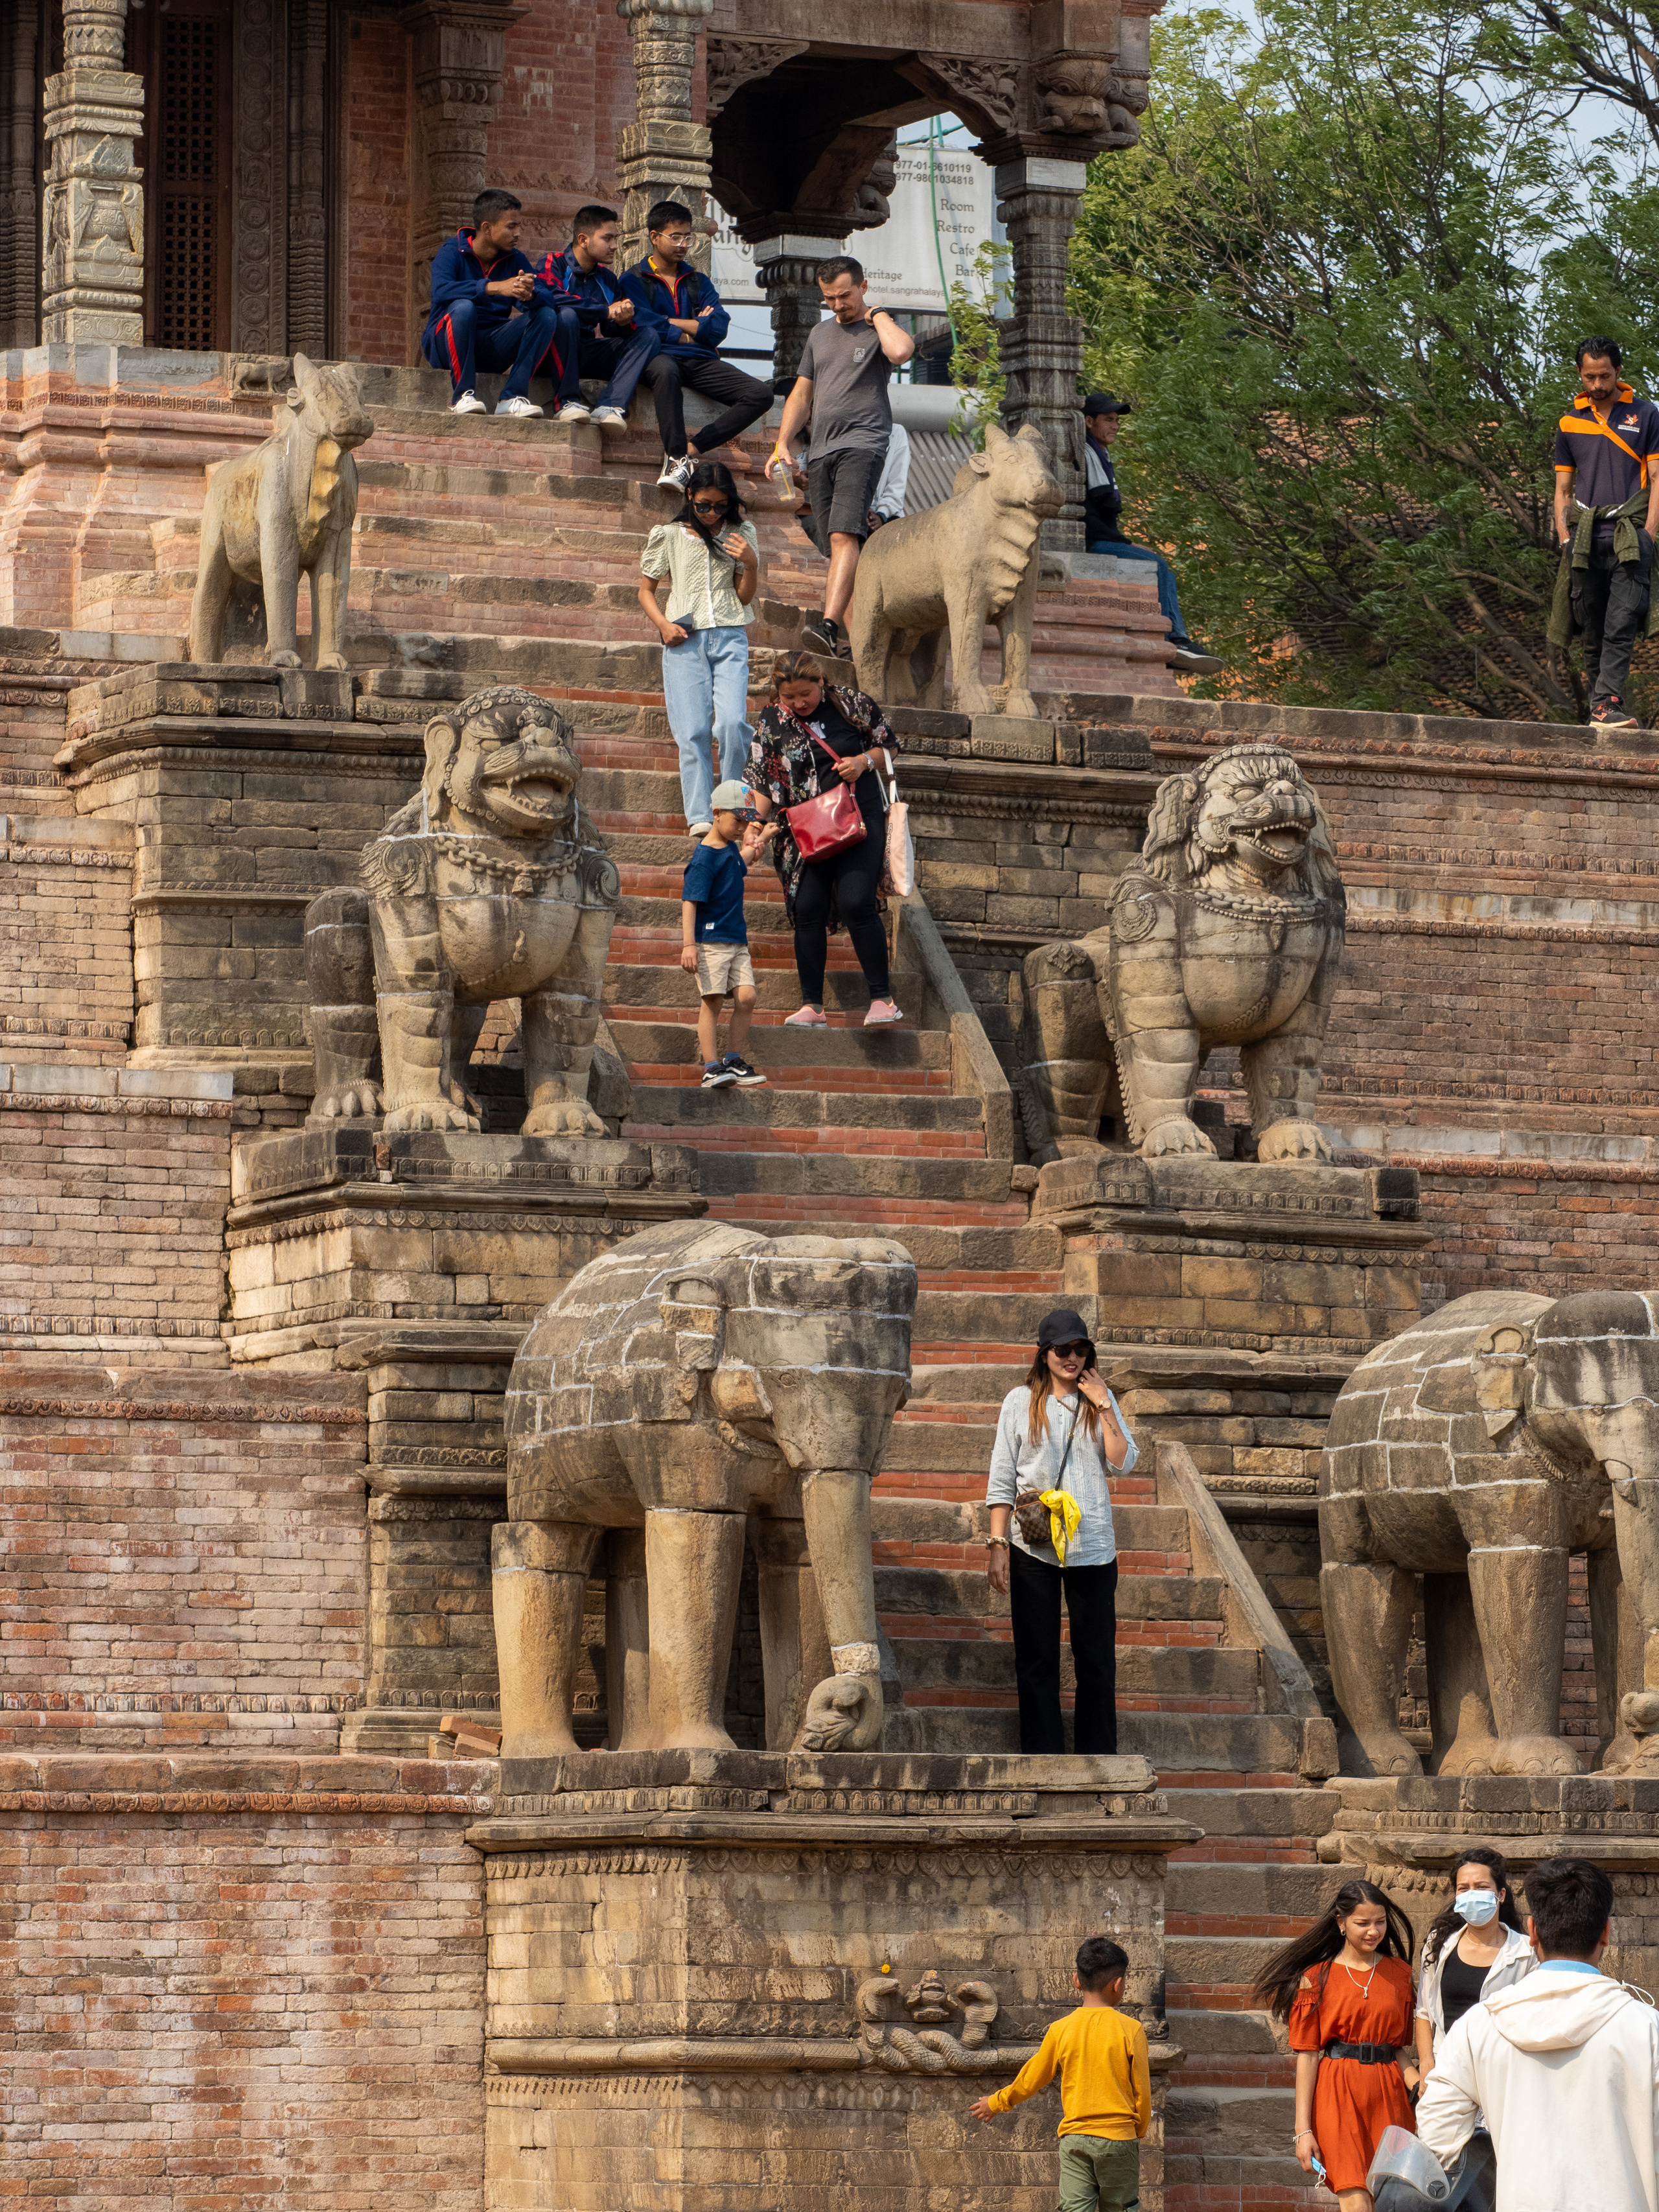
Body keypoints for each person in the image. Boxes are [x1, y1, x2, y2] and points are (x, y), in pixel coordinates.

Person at [1417, 1856, 1659, 2212]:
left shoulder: (1479, 2026)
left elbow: (1437, 2134)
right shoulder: (1647, 2029)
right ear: (1606, 1933)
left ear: (1532, 1932)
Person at [984, 1309, 1136, 1756]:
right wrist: (997, 1545)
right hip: (1034, 1546)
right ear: (1044, 1354)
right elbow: (1001, 1478)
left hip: (1092, 1545)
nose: (1072, 1357)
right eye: (1062, 1349)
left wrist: (1104, 1402)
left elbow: (1123, 1461)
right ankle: (1043, 1757)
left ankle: (1099, 1759)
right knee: (1036, 1659)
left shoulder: (1099, 1399)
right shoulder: (1019, 1401)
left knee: (1096, 1661)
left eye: (1080, 1348)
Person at [745, 651, 903, 1029]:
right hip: (803, 829)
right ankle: (812, 1006)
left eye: (806, 694)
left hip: (855, 817)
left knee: (855, 899)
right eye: (790, 697)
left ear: (821, 681)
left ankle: (883, 1000)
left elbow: (890, 746)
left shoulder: (852, 703)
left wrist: (864, 761)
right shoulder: (770, 721)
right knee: (808, 908)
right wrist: (754, 824)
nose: (799, 703)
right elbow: (762, 781)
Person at [770, 256, 916, 658]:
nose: (837, 305)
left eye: (845, 296)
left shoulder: (876, 328)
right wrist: (783, 444)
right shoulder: (819, 334)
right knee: (838, 543)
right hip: (821, 451)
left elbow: (902, 351)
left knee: (843, 535)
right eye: (829, 298)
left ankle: (830, 626)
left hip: (863, 444)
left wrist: (879, 314)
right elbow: (802, 395)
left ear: (864, 286)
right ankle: (858, 635)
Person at [1253, 1877, 1419, 2212]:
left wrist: (1419, 2082)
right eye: (1362, 1923)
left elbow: (1399, 2047)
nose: (1373, 1931)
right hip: (1337, 2091)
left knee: (1390, 2198)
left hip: (1389, 2094)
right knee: (1355, 2198)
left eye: (1380, 1922)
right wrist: (1303, 2130)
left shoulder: (1400, 1973)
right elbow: (1308, 2055)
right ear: (1341, 1923)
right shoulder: (1316, 1978)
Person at [968, 1935, 1151, 2212]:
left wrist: (996, 2102)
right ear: (1119, 1984)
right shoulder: (1131, 2029)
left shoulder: (1061, 2029)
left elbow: (1033, 2077)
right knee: (1120, 2208)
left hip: (1075, 2139)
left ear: (1076, 1980)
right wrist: (1136, 2131)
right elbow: (1143, 2092)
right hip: (1119, 2139)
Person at [637, 460, 760, 836]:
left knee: (730, 724)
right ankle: (701, 817)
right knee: (691, 731)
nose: (711, 513)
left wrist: (752, 564)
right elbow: (646, 590)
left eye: (720, 506)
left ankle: (732, 804)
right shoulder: (669, 535)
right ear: (690, 495)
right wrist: (663, 626)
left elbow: (743, 597)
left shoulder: (742, 532)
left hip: (729, 634)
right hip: (684, 640)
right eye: (704, 504)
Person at [623, 200, 776, 493]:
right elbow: (643, 324)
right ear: (655, 237)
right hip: (658, 357)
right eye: (675, 237)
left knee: (760, 394)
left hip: (700, 360)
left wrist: (673, 323)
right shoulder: (634, 280)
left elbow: (718, 327)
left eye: (687, 238)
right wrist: (692, 326)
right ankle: (675, 458)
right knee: (666, 372)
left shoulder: (697, 281)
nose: (683, 245)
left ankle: (691, 450)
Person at [1549, 336, 1659, 729]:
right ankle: (1602, 712)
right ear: (1580, 373)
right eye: (1590, 376)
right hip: (1583, 540)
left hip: (1630, 537)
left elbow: (1658, 478)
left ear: (1619, 371)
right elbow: (1563, 489)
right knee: (1591, 628)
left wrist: (1649, 533)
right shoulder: (1568, 423)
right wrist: (1563, 535)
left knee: (1621, 624)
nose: (1597, 385)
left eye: (1605, 375)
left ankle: (1606, 703)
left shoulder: (1646, 415)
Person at [1082, 394, 1223, 675]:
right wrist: (1125, 542)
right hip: (1087, 541)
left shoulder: (1101, 456)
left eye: (1117, 421)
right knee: (1155, 564)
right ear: (1089, 421)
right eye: (1108, 420)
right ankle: (1174, 640)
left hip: (1106, 538)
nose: (1115, 426)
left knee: (1166, 572)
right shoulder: (1083, 455)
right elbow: (1085, 516)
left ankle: (1176, 641)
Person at [421, 188, 580, 421]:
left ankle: (512, 397)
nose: (518, 233)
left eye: (519, 226)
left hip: (492, 347)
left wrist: (530, 294)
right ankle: (462, 396)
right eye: (511, 226)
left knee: (546, 314)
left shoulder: (515, 258)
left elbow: (547, 295)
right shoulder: (452, 251)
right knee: (464, 308)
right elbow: (441, 291)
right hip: (446, 345)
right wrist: (493, 287)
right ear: (487, 228)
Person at [538, 203, 677, 434]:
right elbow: (552, 299)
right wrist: (604, 311)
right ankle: (566, 402)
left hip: (586, 350)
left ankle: (611, 405)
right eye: (608, 239)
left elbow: (611, 328)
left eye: (616, 239)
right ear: (583, 240)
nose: (614, 246)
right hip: (552, 351)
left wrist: (622, 319)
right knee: (567, 316)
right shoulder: (554, 263)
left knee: (648, 335)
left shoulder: (608, 278)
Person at [680, 780, 772, 1091]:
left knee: (747, 997)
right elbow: (689, 901)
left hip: (736, 940)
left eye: (746, 821)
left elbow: (737, 864)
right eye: (738, 820)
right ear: (716, 814)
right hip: (710, 941)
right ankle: (710, 1067)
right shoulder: (704, 857)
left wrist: (763, 839)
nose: (741, 827)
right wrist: (689, 945)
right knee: (713, 1001)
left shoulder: (730, 849)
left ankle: (733, 1060)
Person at [1413, 1846, 1535, 2079]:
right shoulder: (1438, 1944)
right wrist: (1427, 2064)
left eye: (1481, 1887)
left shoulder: (1527, 1952)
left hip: (1501, 2073)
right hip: (1446, 2070)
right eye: (1463, 1888)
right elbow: (1424, 2012)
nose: (1472, 1894)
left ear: (1501, 1894)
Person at [793, 423, 911, 557]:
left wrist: (881, 516)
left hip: (883, 516)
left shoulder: (895, 432)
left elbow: (896, 487)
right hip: (847, 512)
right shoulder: (840, 433)